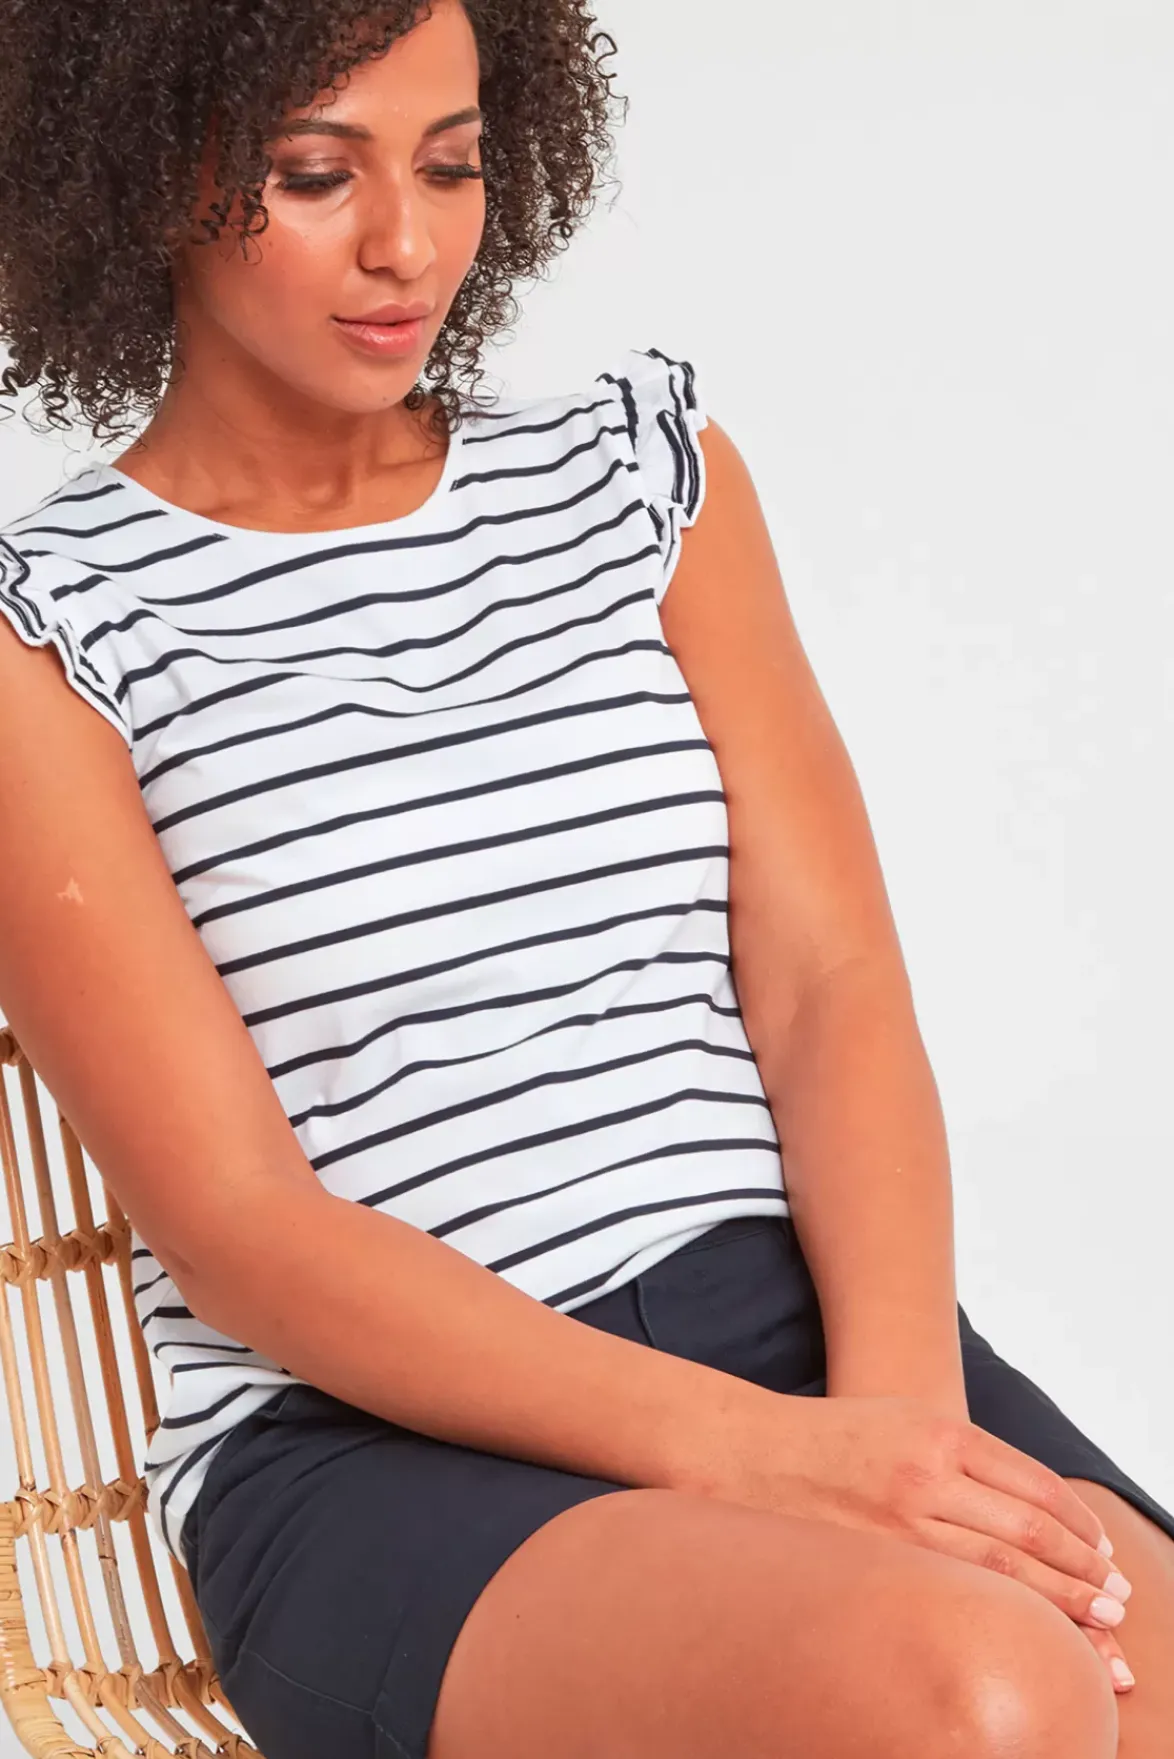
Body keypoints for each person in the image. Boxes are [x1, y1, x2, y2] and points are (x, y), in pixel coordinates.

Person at [0, 3, 1171, 1756]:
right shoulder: (49, 627)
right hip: (379, 1444)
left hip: (799, 1333)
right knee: (985, 1696)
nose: (406, 244)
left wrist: (897, 1430)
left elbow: (829, 986)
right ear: (142, 173)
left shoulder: (638, 481)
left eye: (451, 164)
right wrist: (767, 1458)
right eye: (315, 175)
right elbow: (241, 1230)